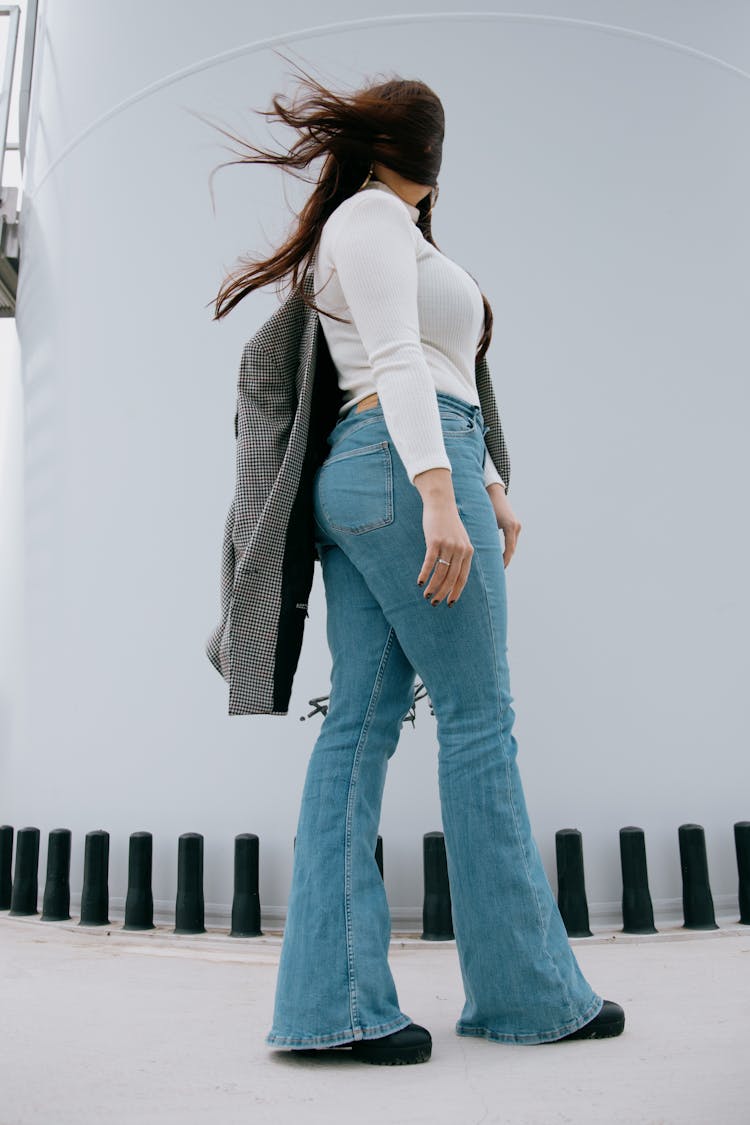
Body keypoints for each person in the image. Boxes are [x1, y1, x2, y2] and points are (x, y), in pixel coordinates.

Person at [208, 60, 625, 1066]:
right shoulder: (371, 224)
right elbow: (397, 360)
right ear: (429, 163)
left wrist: (484, 486)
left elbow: (433, 367)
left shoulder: (376, 229)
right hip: (402, 468)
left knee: (358, 723)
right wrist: (442, 493)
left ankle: (335, 1006)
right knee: (480, 722)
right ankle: (529, 997)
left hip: (390, 471)